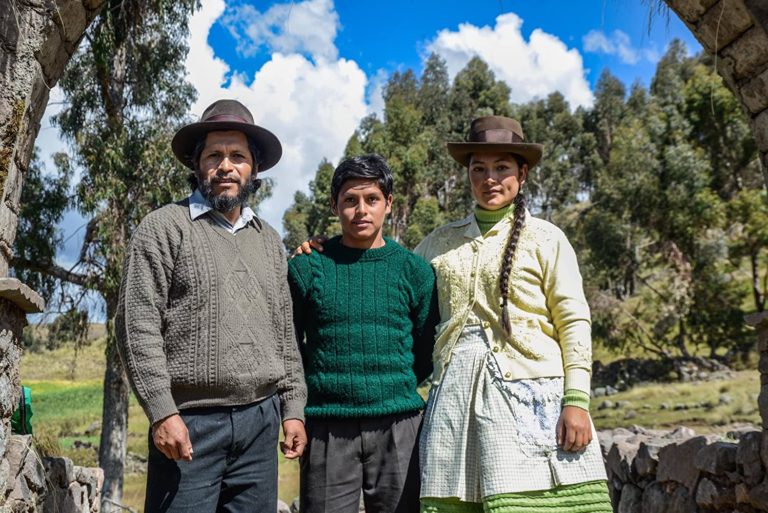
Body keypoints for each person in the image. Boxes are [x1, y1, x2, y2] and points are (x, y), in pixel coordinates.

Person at [115, 99, 307, 513]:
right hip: (189, 425)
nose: (226, 166)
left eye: (237, 156)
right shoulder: (163, 228)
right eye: (214, 155)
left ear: (253, 169)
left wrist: (293, 408)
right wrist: (162, 413)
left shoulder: (269, 240)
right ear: (197, 165)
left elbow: (284, 332)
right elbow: (136, 326)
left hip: (261, 423)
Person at [413, 116, 611, 512]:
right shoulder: (440, 242)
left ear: (522, 173)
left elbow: (573, 319)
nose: (490, 178)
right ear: (467, 175)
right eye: (479, 168)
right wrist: (328, 249)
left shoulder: (546, 238)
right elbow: (391, 280)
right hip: (453, 401)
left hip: (532, 398)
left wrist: (577, 401)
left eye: (502, 167)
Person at [288, 154, 439, 513]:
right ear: (334, 205)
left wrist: (387, 382)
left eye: (371, 199)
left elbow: (425, 350)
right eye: (350, 200)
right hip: (327, 426)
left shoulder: (415, 273)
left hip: (399, 427)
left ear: (388, 203)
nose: (361, 210)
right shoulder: (308, 267)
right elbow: (288, 346)